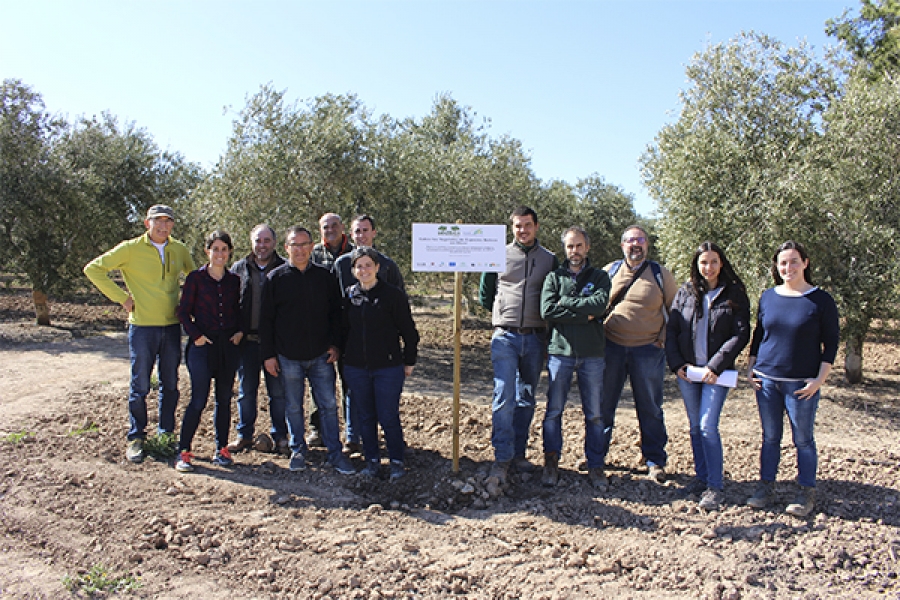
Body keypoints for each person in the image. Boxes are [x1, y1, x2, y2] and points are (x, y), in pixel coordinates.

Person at [83, 204, 196, 463]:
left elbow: (194, 279)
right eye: (158, 221)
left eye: (168, 221)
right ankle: (136, 438)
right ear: (147, 223)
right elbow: (93, 269)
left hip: (170, 327)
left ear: (172, 225)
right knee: (140, 385)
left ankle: (165, 434)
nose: (163, 226)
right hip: (142, 327)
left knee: (170, 385)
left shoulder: (179, 250)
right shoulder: (130, 248)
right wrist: (123, 299)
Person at [745, 240, 839, 518]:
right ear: (777, 266)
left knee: (803, 439)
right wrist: (750, 367)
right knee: (770, 437)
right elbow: (759, 334)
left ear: (805, 263)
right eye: (783, 263)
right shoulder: (769, 296)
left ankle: (805, 492)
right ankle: (766, 487)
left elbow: (831, 344)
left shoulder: (821, 300)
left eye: (794, 261)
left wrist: (819, 380)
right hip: (767, 380)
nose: (788, 267)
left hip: (802, 384)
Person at [259, 225, 355, 475]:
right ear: (286, 248)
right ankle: (298, 450)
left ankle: (335, 452)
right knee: (293, 406)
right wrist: (268, 355)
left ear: (312, 247)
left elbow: (336, 314)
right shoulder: (275, 279)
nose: (300, 250)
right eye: (294, 245)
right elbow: (265, 320)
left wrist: (335, 345)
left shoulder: (325, 277)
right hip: (288, 356)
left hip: (321, 356)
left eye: (304, 245)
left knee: (328, 405)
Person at [665, 242, 750, 510]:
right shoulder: (686, 292)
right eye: (703, 263)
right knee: (693, 427)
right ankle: (701, 478)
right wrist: (677, 364)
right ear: (697, 265)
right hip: (688, 372)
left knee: (707, 426)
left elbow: (741, 333)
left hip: (717, 374)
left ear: (721, 263)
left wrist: (716, 366)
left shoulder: (734, 293)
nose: (708, 268)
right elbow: (673, 330)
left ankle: (715, 486)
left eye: (713, 262)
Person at [478, 206, 558, 483]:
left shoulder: (550, 259)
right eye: (517, 226)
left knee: (526, 398)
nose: (522, 230)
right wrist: (503, 314)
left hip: (536, 337)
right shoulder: (497, 254)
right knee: (504, 395)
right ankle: (501, 458)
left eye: (527, 225)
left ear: (536, 227)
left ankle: (518, 454)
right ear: (511, 228)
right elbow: (485, 294)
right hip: (505, 336)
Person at [599, 225, 678, 483]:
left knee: (651, 407)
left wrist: (663, 340)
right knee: (603, 405)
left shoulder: (660, 274)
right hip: (611, 348)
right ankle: (596, 457)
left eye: (640, 240)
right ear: (622, 245)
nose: (635, 244)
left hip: (648, 351)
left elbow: (676, 313)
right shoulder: (609, 272)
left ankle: (655, 459)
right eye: (630, 240)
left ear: (647, 245)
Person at [539, 227, 611, 489]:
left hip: (592, 354)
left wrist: (566, 304)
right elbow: (547, 310)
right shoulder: (554, 277)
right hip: (560, 353)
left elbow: (600, 305)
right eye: (570, 247)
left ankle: (595, 466)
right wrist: (584, 312)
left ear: (587, 248)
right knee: (554, 411)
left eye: (579, 246)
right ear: (565, 249)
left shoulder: (600, 276)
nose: (574, 251)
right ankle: (551, 462)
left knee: (594, 414)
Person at [341, 247, 419, 481]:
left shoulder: (393, 295)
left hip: (388, 367)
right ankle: (372, 461)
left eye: (368, 265)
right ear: (353, 271)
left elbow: (409, 332)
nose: (363, 270)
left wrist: (409, 360)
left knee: (388, 415)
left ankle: (396, 461)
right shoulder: (348, 296)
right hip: (356, 367)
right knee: (365, 416)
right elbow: (341, 331)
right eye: (359, 266)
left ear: (377, 267)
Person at [333, 214, 405, 456]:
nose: (361, 235)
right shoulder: (341, 264)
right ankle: (353, 438)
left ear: (374, 233)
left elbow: (400, 305)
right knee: (351, 391)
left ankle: (390, 449)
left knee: (384, 404)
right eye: (357, 231)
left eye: (365, 230)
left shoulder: (388, 265)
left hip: (383, 350)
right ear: (350, 235)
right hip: (352, 345)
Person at [174, 231, 244, 472]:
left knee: (224, 400)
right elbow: (183, 312)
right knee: (198, 399)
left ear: (229, 252)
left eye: (224, 249)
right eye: (215, 249)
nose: (220, 254)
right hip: (202, 346)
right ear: (207, 251)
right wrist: (197, 336)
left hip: (228, 347)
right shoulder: (196, 278)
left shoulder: (234, 280)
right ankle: (183, 451)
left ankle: (221, 449)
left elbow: (240, 310)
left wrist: (240, 332)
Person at [227, 224, 289, 456]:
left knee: (278, 393)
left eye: (266, 240)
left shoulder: (284, 267)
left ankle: (281, 436)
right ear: (251, 243)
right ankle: (244, 435)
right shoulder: (239, 268)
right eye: (257, 241)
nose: (262, 245)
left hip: (275, 343)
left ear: (274, 243)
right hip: (247, 342)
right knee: (246, 391)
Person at [308, 212, 355, 447]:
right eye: (325, 227)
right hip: (321, 326)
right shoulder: (314, 253)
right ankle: (317, 429)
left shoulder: (356, 251)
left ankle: (352, 432)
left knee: (351, 381)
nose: (330, 230)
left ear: (343, 227)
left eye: (334, 225)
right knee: (320, 380)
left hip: (350, 326)